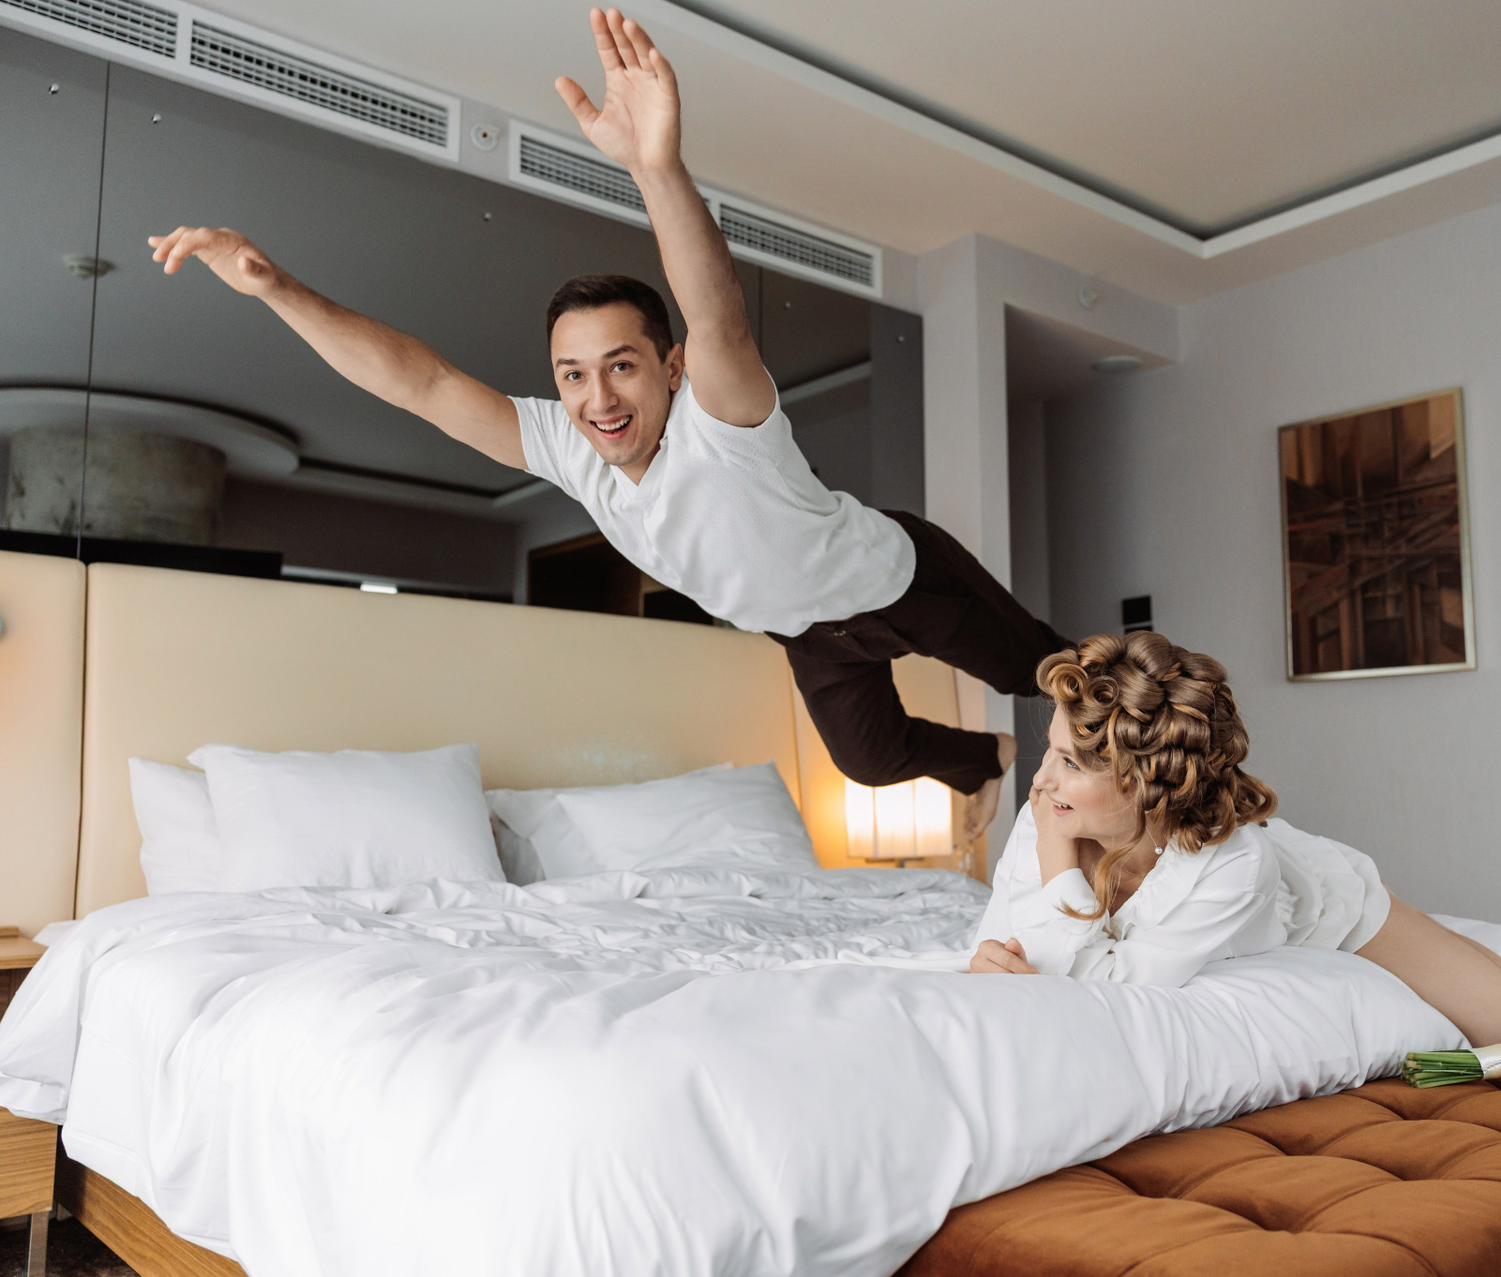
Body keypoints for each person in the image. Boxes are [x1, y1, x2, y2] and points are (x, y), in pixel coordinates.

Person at [145, 8, 1060, 843]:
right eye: (573, 376)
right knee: (869, 759)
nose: (599, 399)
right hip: (810, 634)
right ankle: (983, 761)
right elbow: (420, 383)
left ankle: (1130, 725)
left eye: (622, 365)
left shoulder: (721, 421)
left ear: (670, 369)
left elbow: (718, 317)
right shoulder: (567, 448)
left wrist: (655, 167)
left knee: (1054, 676)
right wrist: (276, 289)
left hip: (903, 578)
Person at [967, 630, 1501, 1048]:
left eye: (1070, 762)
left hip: (1317, 901)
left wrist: (1054, 860)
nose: (1040, 779)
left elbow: (1120, 989)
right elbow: (1006, 952)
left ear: (1141, 782)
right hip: (1247, 881)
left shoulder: (1235, 864)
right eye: (1050, 750)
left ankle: (1425, 922)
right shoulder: (1050, 810)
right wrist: (994, 961)